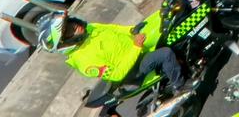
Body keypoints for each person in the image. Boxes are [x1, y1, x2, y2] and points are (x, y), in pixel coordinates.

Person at [37, 12, 181, 115]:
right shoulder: (84, 62)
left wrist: (132, 30)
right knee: (165, 54)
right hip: (133, 69)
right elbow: (117, 74)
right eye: (69, 29)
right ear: (64, 43)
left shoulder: (90, 29)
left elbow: (113, 29)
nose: (76, 26)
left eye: (70, 23)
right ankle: (181, 88)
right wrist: (136, 48)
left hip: (137, 47)